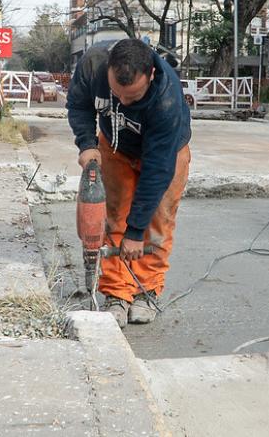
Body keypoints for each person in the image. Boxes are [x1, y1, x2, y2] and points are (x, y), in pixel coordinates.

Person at [66, 38, 192, 328]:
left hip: (167, 151)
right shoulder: (93, 64)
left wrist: (136, 232)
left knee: (158, 222)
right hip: (114, 146)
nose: (123, 103)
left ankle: (146, 289)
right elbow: (79, 104)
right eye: (117, 94)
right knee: (113, 218)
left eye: (133, 98)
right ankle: (116, 293)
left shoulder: (167, 96)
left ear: (150, 75)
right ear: (108, 69)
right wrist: (86, 144)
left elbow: (158, 171)